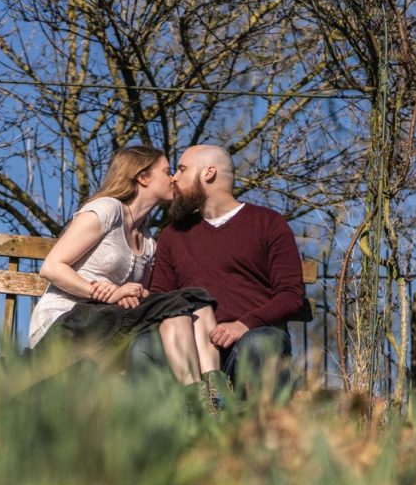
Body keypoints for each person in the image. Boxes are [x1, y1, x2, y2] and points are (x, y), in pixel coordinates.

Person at [27, 145, 222, 409]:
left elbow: (128, 301)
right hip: (65, 323)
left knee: (188, 304)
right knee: (184, 300)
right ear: (142, 177)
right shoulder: (107, 210)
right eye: (167, 171)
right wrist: (100, 290)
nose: (174, 178)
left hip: (109, 326)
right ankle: (201, 400)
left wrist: (133, 294)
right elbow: (52, 267)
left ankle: (208, 402)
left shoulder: (149, 242)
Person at [127, 144, 307, 398]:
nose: (174, 178)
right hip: (191, 349)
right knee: (143, 347)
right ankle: (179, 425)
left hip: (250, 337)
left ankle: (262, 434)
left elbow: (290, 294)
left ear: (208, 173)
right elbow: (161, 297)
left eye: (182, 169)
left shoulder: (268, 223)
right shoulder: (173, 235)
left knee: (259, 343)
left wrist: (244, 325)